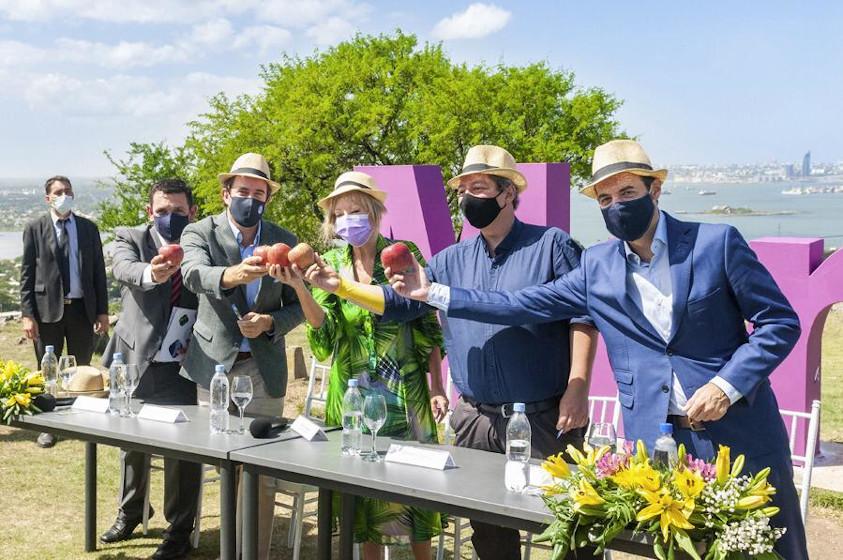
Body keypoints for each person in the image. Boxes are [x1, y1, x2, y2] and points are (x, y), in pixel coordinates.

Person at [386, 140, 809, 560]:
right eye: (605, 198)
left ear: (654, 190)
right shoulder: (597, 266)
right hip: (658, 446)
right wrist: (434, 292)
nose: (616, 205)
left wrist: (726, 385)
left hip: (738, 436)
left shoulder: (716, 243)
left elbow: (779, 322)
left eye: (627, 193)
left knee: (770, 548)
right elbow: (519, 305)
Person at [301, 147, 599, 560]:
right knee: (491, 536)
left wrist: (578, 385)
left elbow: (581, 317)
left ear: (508, 192)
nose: (468, 199)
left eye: (478, 188)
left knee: (571, 526)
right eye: (461, 191)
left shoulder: (551, 245)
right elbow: (403, 303)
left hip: (546, 418)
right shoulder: (450, 259)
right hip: (476, 420)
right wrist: (341, 287)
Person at [274, 171, 447, 560]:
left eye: (356, 210)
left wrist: (437, 386)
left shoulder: (402, 255)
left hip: (405, 392)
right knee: (363, 495)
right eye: (340, 213)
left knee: (413, 488)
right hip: (351, 394)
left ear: (374, 211)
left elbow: (426, 322)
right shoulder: (330, 262)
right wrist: (302, 287)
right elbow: (325, 335)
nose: (348, 219)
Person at [179, 152, 303, 560]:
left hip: (263, 368)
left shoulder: (284, 239)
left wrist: (269, 322)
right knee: (220, 462)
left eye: (259, 192)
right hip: (211, 364)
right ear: (226, 193)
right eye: (243, 191)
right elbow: (193, 274)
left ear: (267, 197)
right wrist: (236, 273)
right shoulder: (201, 231)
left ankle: (255, 553)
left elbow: (300, 305)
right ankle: (226, 548)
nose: (250, 199)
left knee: (260, 471)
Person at [100, 179, 202, 560]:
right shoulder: (130, 237)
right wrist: (153, 273)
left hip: (183, 364)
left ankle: (179, 529)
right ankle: (130, 512)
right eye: (162, 211)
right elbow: (124, 268)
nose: (169, 217)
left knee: (183, 453)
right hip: (134, 359)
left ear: (192, 213)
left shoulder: (199, 245)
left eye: (178, 211)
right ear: (149, 212)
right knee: (131, 445)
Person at [19, 175, 109, 448]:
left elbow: (98, 272)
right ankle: (48, 425)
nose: (64, 195)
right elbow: (27, 273)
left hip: (82, 310)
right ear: (48, 198)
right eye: (58, 192)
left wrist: (102, 311)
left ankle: (81, 421)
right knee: (47, 373)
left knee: (82, 370)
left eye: (68, 191)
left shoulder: (88, 228)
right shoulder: (35, 228)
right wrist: (27, 314)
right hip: (47, 311)